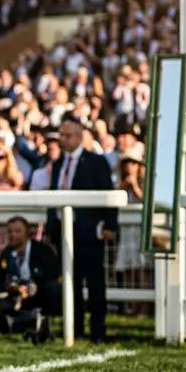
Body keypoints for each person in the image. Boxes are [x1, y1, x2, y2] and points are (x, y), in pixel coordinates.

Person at [46, 117, 118, 343]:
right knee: (70, 282)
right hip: (63, 231)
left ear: (80, 137)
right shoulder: (58, 164)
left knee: (94, 282)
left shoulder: (96, 162)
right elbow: (53, 196)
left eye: (67, 135)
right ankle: (74, 326)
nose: (63, 139)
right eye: (61, 135)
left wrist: (110, 225)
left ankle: (98, 330)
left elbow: (108, 194)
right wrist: (50, 227)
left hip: (88, 232)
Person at [0, 216, 59, 342]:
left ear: (27, 233)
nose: (13, 235)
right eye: (10, 232)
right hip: (18, 295)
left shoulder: (42, 250)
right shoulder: (6, 253)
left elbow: (53, 274)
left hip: (41, 294)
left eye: (17, 231)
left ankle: (39, 321)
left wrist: (33, 286)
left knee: (53, 290)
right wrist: (12, 287)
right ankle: (26, 323)